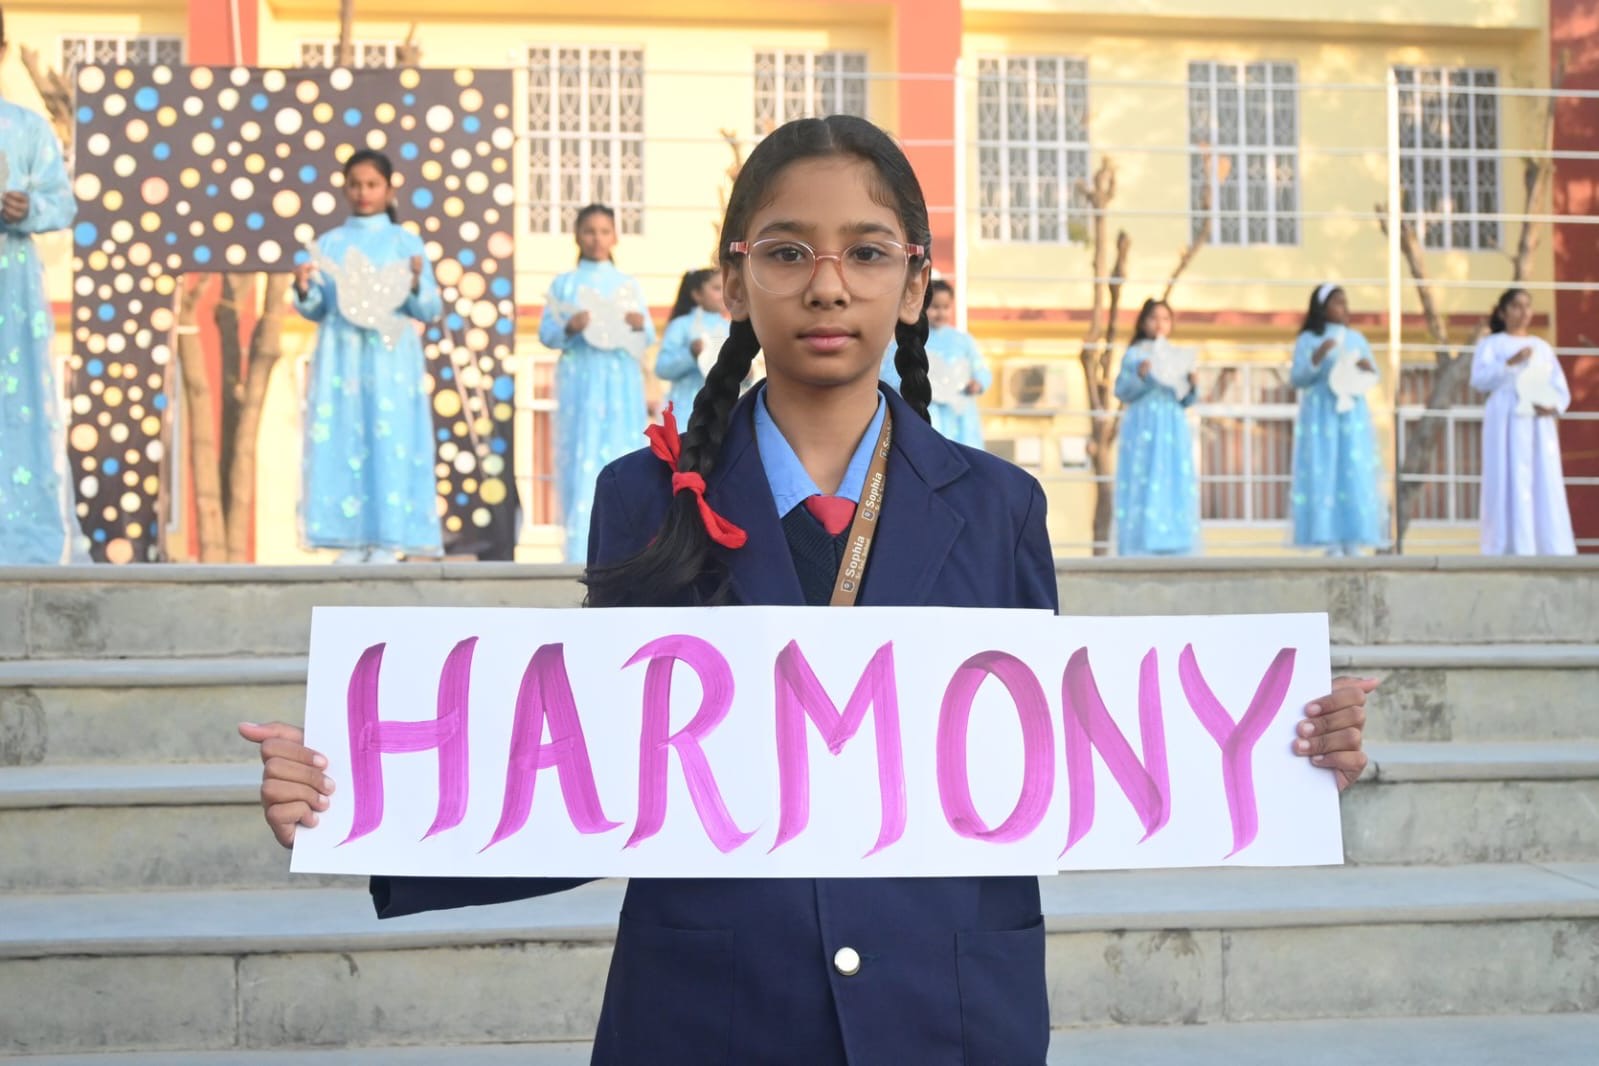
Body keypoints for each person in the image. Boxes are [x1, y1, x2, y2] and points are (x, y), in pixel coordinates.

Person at [241, 115, 1374, 1065]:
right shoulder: (645, 496)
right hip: (710, 1009)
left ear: (915, 282)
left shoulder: (998, 507)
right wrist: (354, 798)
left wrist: (1289, 747)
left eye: (867, 253)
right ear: (736, 279)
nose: (827, 284)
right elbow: (595, 773)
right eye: (787, 253)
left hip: (948, 1007)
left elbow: (1055, 762)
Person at [293, 149, 442, 564]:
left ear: (390, 188)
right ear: (344, 188)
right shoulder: (329, 244)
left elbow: (429, 309)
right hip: (342, 357)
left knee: (391, 438)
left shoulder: (405, 243)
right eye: (355, 184)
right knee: (342, 434)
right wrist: (303, 289)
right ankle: (349, 540)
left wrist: (416, 282)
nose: (363, 192)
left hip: (391, 358)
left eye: (372, 184)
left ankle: (389, 540)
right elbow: (318, 307)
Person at [0, 9, 80, 565]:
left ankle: (20, 541)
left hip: (12, 289)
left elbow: (63, 203)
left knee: (17, 402)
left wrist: (27, 208)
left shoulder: (26, 127)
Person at [539, 204, 654, 561]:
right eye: (589, 231)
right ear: (577, 235)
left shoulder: (628, 284)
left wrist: (639, 325)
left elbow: (648, 336)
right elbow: (546, 334)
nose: (597, 239)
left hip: (621, 383)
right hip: (581, 381)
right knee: (581, 451)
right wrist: (569, 327)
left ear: (615, 236)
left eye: (604, 231)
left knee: (623, 451)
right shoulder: (565, 283)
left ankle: (626, 547)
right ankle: (579, 548)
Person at [1470, 287, 1576, 555]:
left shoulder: (1542, 347)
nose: (1523, 312)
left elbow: (1560, 388)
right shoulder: (1492, 345)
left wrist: (1551, 406)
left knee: (1542, 478)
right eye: (1516, 306)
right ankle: (1505, 545)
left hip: (1536, 423)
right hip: (1505, 420)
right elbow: (1479, 380)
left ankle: (1548, 545)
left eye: (1527, 306)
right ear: (1503, 312)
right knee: (1505, 477)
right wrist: (1510, 363)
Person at [1289, 283, 1385, 555]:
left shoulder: (1356, 339)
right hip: (1321, 416)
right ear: (1322, 308)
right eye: (1337, 303)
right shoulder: (1309, 339)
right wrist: (1317, 357)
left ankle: (1352, 539)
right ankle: (1328, 537)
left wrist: (1367, 369)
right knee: (1324, 469)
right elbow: (1297, 378)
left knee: (1352, 470)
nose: (1345, 308)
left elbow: (1373, 376)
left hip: (1350, 415)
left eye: (1345, 302)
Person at [1113, 298, 1198, 556]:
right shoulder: (1135, 354)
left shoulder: (1177, 355)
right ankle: (1140, 540)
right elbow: (1121, 390)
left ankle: (1174, 538)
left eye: (1165, 318)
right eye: (1153, 318)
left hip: (1172, 426)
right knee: (1143, 475)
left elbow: (1185, 400)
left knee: (1172, 476)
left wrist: (1193, 385)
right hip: (1143, 425)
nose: (1159, 323)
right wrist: (1140, 376)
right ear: (1142, 322)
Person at [881, 279, 990, 446]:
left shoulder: (962, 341)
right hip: (926, 411)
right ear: (922, 306)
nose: (941, 313)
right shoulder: (909, 340)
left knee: (961, 453)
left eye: (945, 307)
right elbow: (888, 374)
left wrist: (978, 383)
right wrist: (917, 384)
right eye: (935, 307)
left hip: (959, 416)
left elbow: (981, 369)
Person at [654, 268, 730, 415]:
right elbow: (662, 368)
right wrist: (690, 354)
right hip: (685, 410)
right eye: (716, 288)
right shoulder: (681, 325)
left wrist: (748, 373)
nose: (723, 294)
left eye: (725, 288)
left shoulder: (730, 328)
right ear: (697, 294)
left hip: (720, 411)